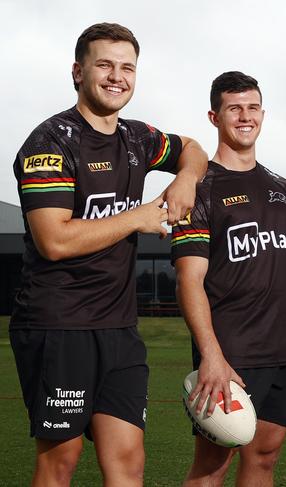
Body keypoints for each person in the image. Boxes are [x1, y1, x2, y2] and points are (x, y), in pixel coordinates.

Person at [10, 23, 207, 487]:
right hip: (58, 325)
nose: (117, 76)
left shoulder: (137, 138)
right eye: (104, 65)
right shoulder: (50, 142)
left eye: (127, 68)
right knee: (60, 461)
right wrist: (137, 217)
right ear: (78, 72)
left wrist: (185, 179)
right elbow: (53, 241)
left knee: (128, 461)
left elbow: (194, 149)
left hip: (119, 329)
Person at [172, 71, 286, 487]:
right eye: (234, 108)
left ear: (263, 114)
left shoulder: (285, 190)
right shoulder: (199, 188)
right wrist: (210, 355)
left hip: (279, 353)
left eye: (252, 107)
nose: (245, 116)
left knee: (265, 458)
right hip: (228, 352)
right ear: (214, 116)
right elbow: (189, 280)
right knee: (212, 466)